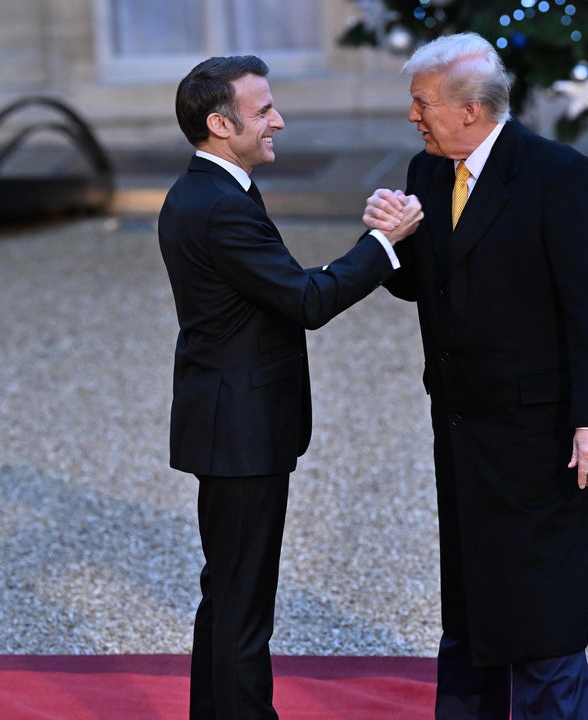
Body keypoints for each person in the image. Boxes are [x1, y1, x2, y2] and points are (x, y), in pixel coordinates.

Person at [363, 32, 588, 719]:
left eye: (421, 102)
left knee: (541, 607)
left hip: (536, 430)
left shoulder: (559, 175)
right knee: (470, 595)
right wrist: (391, 245)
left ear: (470, 109)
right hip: (459, 425)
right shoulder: (426, 172)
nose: (412, 116)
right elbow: (433, 285)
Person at [158, 55, 422, 719]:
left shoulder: (209, 190)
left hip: (226, 421)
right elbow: (306, 298)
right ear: (221, 124)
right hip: (240, 430)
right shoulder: (220, 205)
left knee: (227, 595)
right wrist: (383, 242)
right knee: (242, 607)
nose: (279, 120)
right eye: (263, 110)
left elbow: (277, 286)